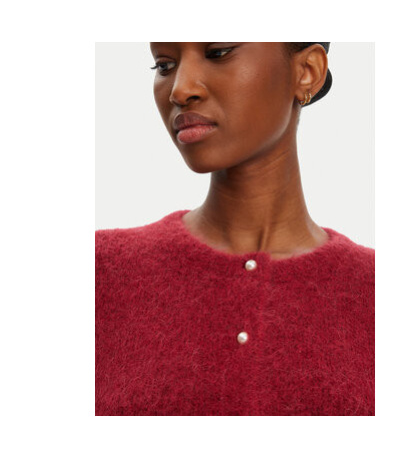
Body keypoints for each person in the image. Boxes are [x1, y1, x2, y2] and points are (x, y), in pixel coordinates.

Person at [95, 42, 375, 416]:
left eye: (218, 53)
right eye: (164, 65)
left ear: (307, 71)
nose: (180, 89)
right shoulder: (100, 272)